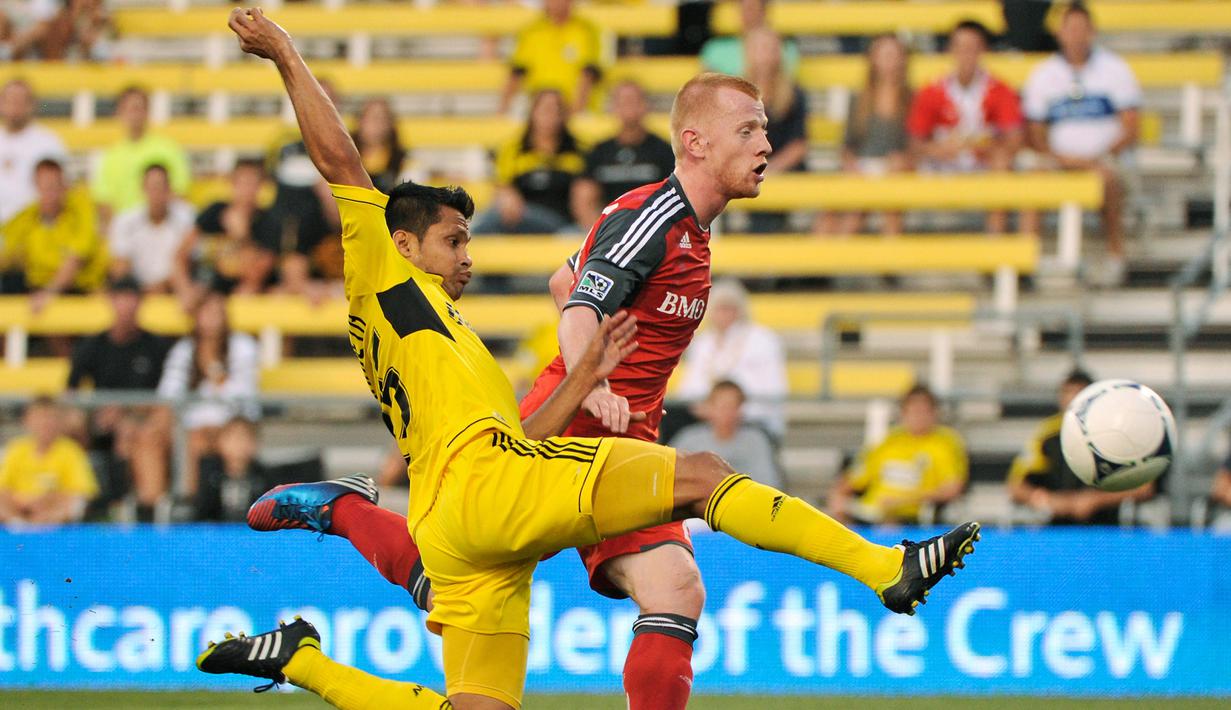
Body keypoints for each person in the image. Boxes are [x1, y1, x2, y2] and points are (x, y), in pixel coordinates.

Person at [199, 12, 980, 710]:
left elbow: (526, 413)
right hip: (487, 490)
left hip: (461, 509)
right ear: (403, 245)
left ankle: (305, 657)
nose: (468, 257)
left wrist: (580, 374)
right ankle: (883, 568)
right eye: (453, 242)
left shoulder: (447, 336)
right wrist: (286, 55)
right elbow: (341, 165)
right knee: (703, 477)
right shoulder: (386, 278)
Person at [1023, 2, 1140, 285]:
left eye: (1081, 29)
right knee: (1031, 181)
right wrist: (1059, 157)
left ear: (1092, 32)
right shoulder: (1044, 74)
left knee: (1108, 179)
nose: (1075, 35)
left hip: (1104, 159)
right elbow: (1035, 131)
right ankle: (1027, 261)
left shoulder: (1115, 69)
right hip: (1058, 160)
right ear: (1060, 33)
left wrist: (1101, 156)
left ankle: (1115, 255)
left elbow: (1130, 127)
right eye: (1070, 29)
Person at [907, 20, 1031, 234]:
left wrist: (983, 147)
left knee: (1004, 164)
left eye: (972, 48)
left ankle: (996, 241)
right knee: (899, 165)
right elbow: (914, 140)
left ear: (983, 51)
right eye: (960, 47)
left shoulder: (1000, 90)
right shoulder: (932, 90)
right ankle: (895, 250)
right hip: (942, 164)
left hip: (982, 164)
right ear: (951, 50)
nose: (966, 55)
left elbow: (1015, 138)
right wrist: (936, 150)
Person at [66, 275, 171, 520]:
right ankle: (77, 496)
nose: (126, 306)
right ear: (111, 302)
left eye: (131, 299)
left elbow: (166, 397)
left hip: (140, 419)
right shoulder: (91, 345)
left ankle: (128, 502)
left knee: (130, 432)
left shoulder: (156, 346)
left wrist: (126, 412)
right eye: (120, 299)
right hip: (97, 420)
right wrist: (93, 414)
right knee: (70, 424)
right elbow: (70, 393)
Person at [1008, 369, 1155, 524]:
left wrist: (1095, 500)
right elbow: (1016, 487)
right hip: (1057, 529)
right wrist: (1046, 499)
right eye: (1066, 392)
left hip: (1107, 528)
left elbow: (1144, 487)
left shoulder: (1115, 432)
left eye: (1078, 393)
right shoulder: (1047, 434)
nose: (1071, 399)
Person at [154, 287, 260, 499]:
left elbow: (242, 397)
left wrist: (212, 367)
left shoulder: (243, 346)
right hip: (190, 427)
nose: (212, 320)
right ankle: (159, 507)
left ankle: (204, 503)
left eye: (217, 313)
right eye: (206, 313)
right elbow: (168, 393)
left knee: (212, 441)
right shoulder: (184, 349)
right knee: (159, 438)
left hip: (234, 422)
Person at [829, 385, 968, 526]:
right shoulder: (889, 440)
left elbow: (952, 488)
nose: (918, 417)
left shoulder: (945, 443)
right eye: (912, 411)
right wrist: (838, 496)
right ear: (903, 413)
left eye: (923, 411)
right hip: (872, 511)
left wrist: (903, 501)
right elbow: (854, 478)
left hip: (910, 515)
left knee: (890, 524)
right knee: (837, 512)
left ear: (934, 413)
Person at [821, 34, 912, 236]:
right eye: (884, 54)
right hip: (862, 167)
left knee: (890, 209)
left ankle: (890, 264)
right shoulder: (859, 100)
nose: (888, 60)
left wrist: (903, 161)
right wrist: (851, 164)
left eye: (893, 54)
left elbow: (915, 144)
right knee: (835, 212)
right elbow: (847, 146)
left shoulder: (911, 100)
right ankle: (826, 262)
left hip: (895, 170)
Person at [676, 278, 788, 439]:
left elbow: (774, 391)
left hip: (751, 419)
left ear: (741, 310)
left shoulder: (763, 340)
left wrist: (730, 411)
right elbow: (688, 390)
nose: (724, 315)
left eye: (729, 308)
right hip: (706, 418)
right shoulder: (703, 343)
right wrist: (709, 410)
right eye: (719, 308)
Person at [0, 157, 107, 310]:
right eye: (46, 186)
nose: (52, 193)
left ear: (64, 185)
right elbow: (6, 252)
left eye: (56, 186)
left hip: (77, 288)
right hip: (37, 287)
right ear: (36, 186)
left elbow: (76, 258)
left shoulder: (81, 209)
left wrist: (49, 293)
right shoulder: (27, 217)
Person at [474, 90, 586, 235]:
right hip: (519, 220)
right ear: (532, 112)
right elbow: (503, 186)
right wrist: (507, 196)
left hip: (561, 222)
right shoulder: (513, 150)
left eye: (556, 109)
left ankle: (466, 239)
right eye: (545, 109)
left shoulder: (578, 151)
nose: (550, 115)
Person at [570, 80, 675, 230]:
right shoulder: (599, 151)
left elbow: (676, 197)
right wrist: (599, 234)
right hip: (607, 230)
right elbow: (583, 199)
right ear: (613, 107)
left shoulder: (663, 150)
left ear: (646, 106)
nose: (628, 107)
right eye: (622, 101)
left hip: (653, 229)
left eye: (633, 101)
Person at [173, 158, 279, 297]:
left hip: (244, 294)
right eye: (242, 182)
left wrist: (242, 236)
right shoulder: (215, 211)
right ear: (233, 184)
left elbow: (257, 275)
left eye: (253, 183)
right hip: (208, 290)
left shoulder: (268, 220)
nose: (247, 190)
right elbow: (181, 254)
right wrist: (185, 288)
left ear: (260, 187)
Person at [90, 86, 191, 224]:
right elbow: (104, 203)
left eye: (138, 108)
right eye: (129, 109)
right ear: (120, 112)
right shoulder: (110, 156)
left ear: (147, 111)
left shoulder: (168, 149)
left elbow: (180, 195)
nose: (134, 115)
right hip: (126, 232)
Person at [742, 26, 808, 233]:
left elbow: (799, 144)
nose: (765, 55)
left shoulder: (794, 94)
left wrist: (772, 169)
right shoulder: (736, 94)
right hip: (748, 168)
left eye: (770, 48)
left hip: (786, 170)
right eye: (760, 48)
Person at [0, 397, 98, 524]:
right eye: (40, 418)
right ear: (27, 420)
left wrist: (47, 500)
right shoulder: (16, 449)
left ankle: (41, 527)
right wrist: (22, 501)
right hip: (18, 511)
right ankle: (19, 526)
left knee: (76, 504)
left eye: (50, 418)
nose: (45, 424)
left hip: (53, 513)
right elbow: (3, 487)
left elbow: (82, 491)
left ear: (60, 422)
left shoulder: (71, 451)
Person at [670, 380, 782, 488]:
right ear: (709, 407)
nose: (727, 412)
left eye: (733, 406)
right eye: (722, 406)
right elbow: (671, 477)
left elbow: (769, 484)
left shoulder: (756, 440)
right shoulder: (689, 438)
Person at [500, 0, 602, 114]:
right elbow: (516, 74)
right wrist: (502, 112)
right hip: (538, 109)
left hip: (577, 109)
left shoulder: (586, 30)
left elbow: (588, 75)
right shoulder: (531, 31)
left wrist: (575, 112)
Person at [108, 163, 196, 293]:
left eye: (161, 187)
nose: (157, 193)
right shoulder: (125, 221)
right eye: (152, 187)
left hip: (176, 291)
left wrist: (160, 287)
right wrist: (136, 290)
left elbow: (190, 262)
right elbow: (121, 265)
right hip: (135, 292)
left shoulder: (187, 218)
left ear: (169, 189)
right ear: (143, 189)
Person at [0, 79, 66, 224]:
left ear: (32, 105)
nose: (15, 106)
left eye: (21, 100)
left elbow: (58, 191)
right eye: (10, 100)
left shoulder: (49, 143)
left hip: (33, 229)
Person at [194, 417, 271, 522]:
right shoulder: (210, 475)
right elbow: (202, 512)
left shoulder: (263, 477)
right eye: (233, 438)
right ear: (220, 443)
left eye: (244, 438)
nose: (238, 444)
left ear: (254, 444)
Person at [699, 0, 800, 78]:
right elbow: (708, 89)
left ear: (764, 12)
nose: (749, 15)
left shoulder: (783, 47)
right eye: (744, 9)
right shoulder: (714, 48)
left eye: (753, 8)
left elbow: (780, 88)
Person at [352, 97, 407, 194]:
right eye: (371, 118)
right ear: (359, 121)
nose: (376, 124)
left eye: (382, 118)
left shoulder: (402, 160)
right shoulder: (347, 156)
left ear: (390, 124)